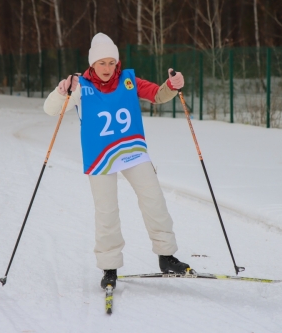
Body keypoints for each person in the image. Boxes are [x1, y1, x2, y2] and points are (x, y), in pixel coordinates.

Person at [43, 33, 190, 290]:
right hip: (100, 157)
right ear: (92, 64)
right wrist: (60, 91)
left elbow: (158, 95)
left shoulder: (128, 80)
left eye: (112, 62)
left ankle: (166, 257)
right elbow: (51, 110)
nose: (108, 69)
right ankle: (109, 267)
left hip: (133, 150)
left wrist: (173, 85)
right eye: (102, 63)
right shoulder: (80, 86)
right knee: (107, 211)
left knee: (154, 199)